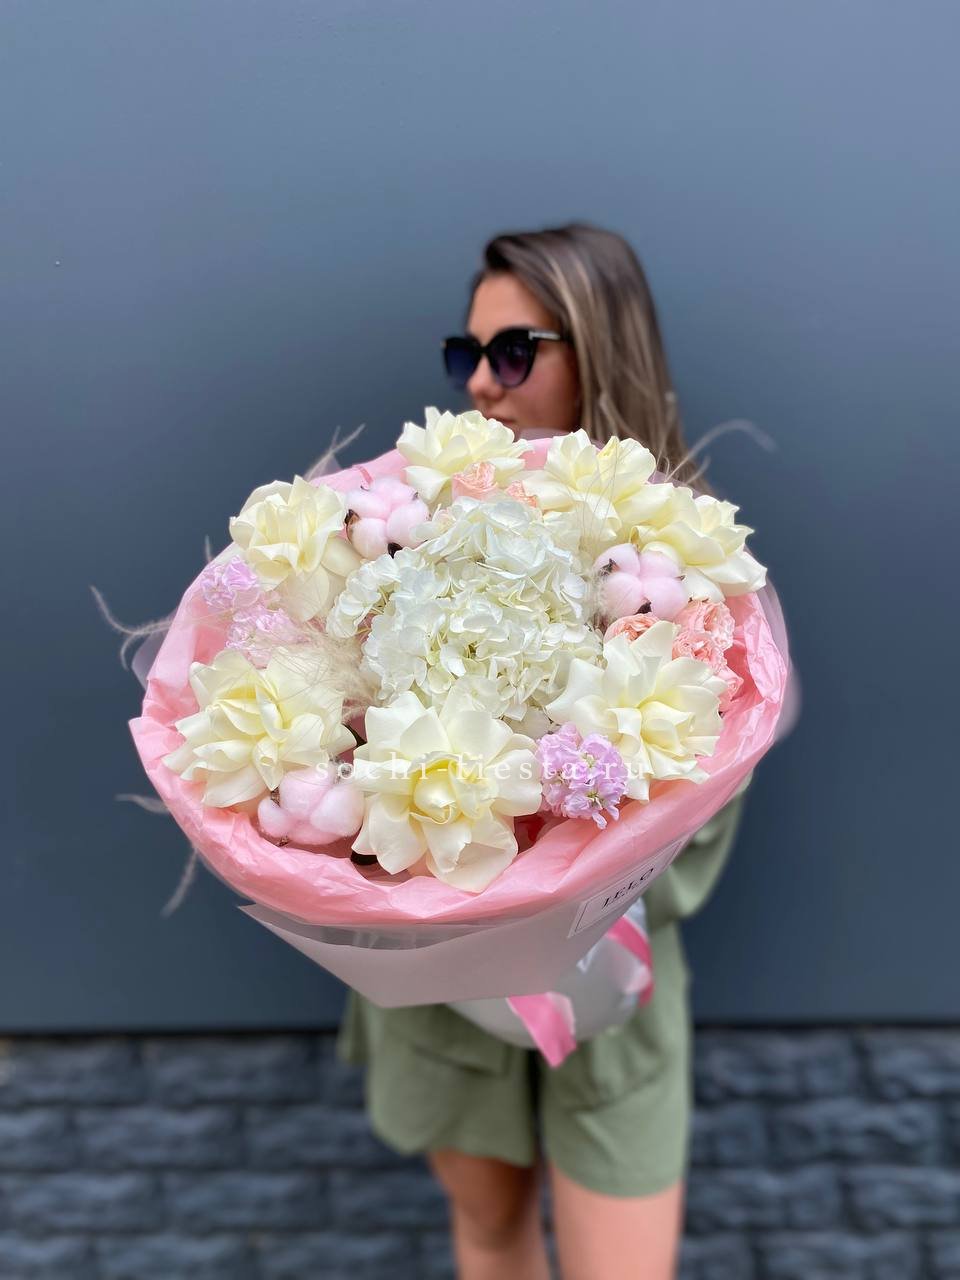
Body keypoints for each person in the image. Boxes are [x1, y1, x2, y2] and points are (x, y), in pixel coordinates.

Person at [336, 222, 749, 1280]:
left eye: (513, 351)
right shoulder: (411, 527)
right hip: (442, 973)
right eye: (465, 353)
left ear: (599, 350)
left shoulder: (685, 564)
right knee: (488, 1233)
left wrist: (569, 866)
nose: (480, 382)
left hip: (615, 971)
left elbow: (701, 818)